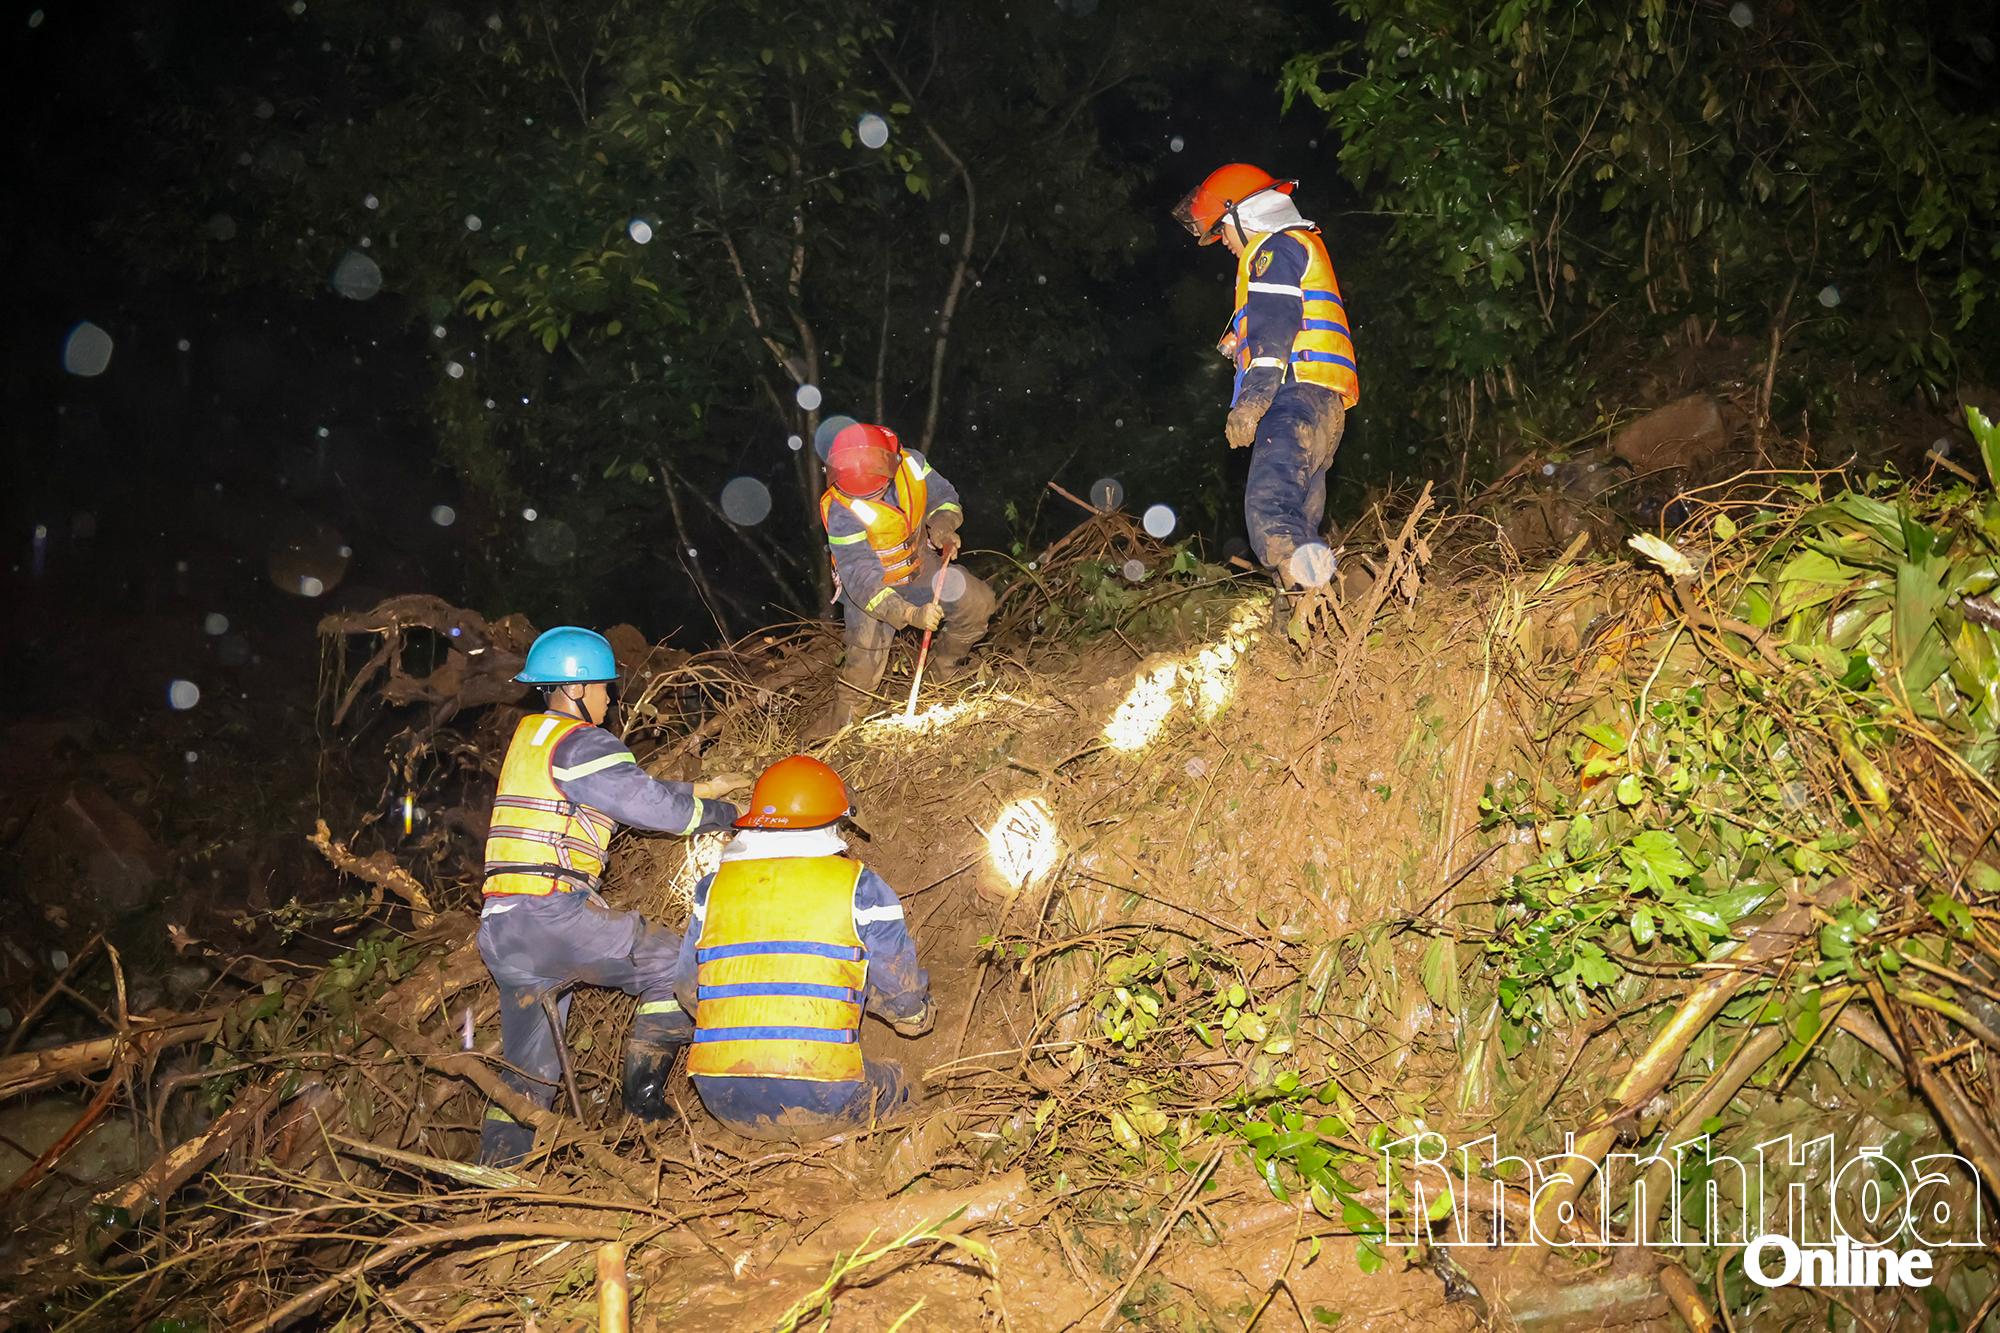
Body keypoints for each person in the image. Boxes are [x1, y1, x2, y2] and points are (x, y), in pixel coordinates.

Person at [476, 626, 745, 1165]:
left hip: (503, 928)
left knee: (528, 1073)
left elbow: (616, 791)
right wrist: (726, 814)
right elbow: (652, 810)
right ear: (576, 689)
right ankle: (643, 1107)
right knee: (676, 960)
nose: (608, 697)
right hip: (550, 915)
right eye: (603, 687)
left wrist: (698, 788)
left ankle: (498, 1183)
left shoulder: (535, 739)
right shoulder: (581, 742)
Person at [664, 755, 931, 1140]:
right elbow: (902, 996)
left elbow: (688, 992)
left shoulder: (712, 889)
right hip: (828, 1096)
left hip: (722, 1098)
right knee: (900, 1082)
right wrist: (914, 1016)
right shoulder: (861, 887)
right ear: (831, 823)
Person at [1174, 163, 1359, 590]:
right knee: (1301, 520)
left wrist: (1252, 401)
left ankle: (1323, 595)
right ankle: (1313, 625)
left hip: (1292, 398)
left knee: (1270, 510)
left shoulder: (1273, 249)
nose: (1224, 243)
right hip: (1323, 402)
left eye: (1223, 230)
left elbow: (1275, 325)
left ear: (1243, 213)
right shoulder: (1299, 246)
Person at [816, 421, 995, 732]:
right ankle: (842, 736)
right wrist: (910, 614)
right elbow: (861, 578)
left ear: (891, 466)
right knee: (861, 671)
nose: (870, 499)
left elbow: (943, 496)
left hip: (919, 567)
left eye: (876, 491)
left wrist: (943, 522)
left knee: (977, 602)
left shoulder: (912, 464)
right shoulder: (841, 512)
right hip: (872, 591)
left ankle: (942, 679)